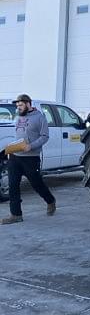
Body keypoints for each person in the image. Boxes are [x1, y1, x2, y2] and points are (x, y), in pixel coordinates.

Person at [0, 94, 56, 225]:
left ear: (28, 104)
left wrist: (31, 146)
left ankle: (50, 201)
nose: (18, 107)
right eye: (17, 105)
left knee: (37, 184)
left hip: (31, 158)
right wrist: (12, 148)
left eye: (20, 105)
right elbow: (19, 135)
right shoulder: (19, 117)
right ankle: (16, 215)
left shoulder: (40, 118)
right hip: (15, 157)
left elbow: (45, 136)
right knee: (13, 185)